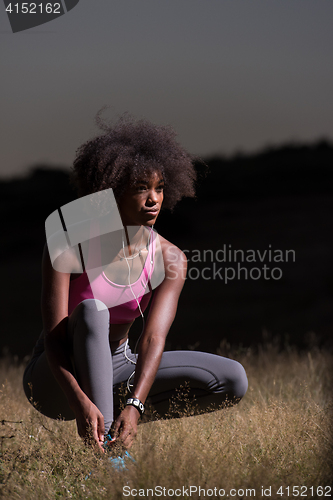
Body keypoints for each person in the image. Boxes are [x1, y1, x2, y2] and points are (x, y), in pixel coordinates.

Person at [23, 114, 248, 453]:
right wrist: (79, 403)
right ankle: (111, 458)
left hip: (118, 364)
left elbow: (154, 338)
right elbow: (54, 340)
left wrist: (136, 404)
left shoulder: (170, 258)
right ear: (111, 192)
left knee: (232, 379)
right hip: (56, 376)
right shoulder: (68, 242)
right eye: (141, 188)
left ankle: (115, 422)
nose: (154, 199)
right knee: (92, 311)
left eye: (159, 187)